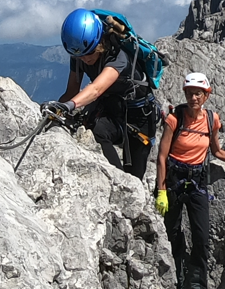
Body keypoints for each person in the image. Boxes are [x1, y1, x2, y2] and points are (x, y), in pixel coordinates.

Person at [154, 72, 225, 289]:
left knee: (201, 237)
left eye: (198, 94)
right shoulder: (175, 119)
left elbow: (216, 151)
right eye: (190, 93)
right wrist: (161, 191)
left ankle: (198, 287)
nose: (193, 98)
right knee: (172, 233)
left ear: (206, 96)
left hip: (197, 180)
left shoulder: (212, 119)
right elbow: (162, 157)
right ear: (185, 94)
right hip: (174, 179)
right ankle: (178, 282)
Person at [41, 9, 160, 179]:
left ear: (99, 41)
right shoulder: (79, 53)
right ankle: (116, 180)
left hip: (139, 118)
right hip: (113, 110)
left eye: (88, 53)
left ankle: (125, 185)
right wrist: (55, 109)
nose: (84, 59)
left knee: (134, 176)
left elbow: (96, 89)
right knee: (98, 131)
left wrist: (68, 106)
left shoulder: (118, 56)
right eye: (79, 55)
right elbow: (72, 91)